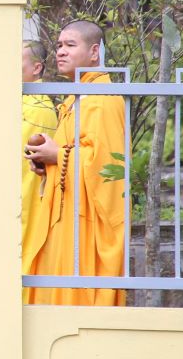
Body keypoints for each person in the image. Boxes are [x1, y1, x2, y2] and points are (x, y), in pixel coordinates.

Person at [23, 21, 126, 306]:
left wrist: (59, 156)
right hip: (66, 213)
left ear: (94, 52)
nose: (61, 52)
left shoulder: (102, 98)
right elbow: (74, 152)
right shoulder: (76, 96)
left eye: (70, 45)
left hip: (87, 220)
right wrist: (47, 161)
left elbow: (106, 167)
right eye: (58, 46)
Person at [20, 40, 58, 265]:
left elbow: (23, 166)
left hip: (27, 198)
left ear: (37, 68)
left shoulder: (37, 107)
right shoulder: (25, 100)